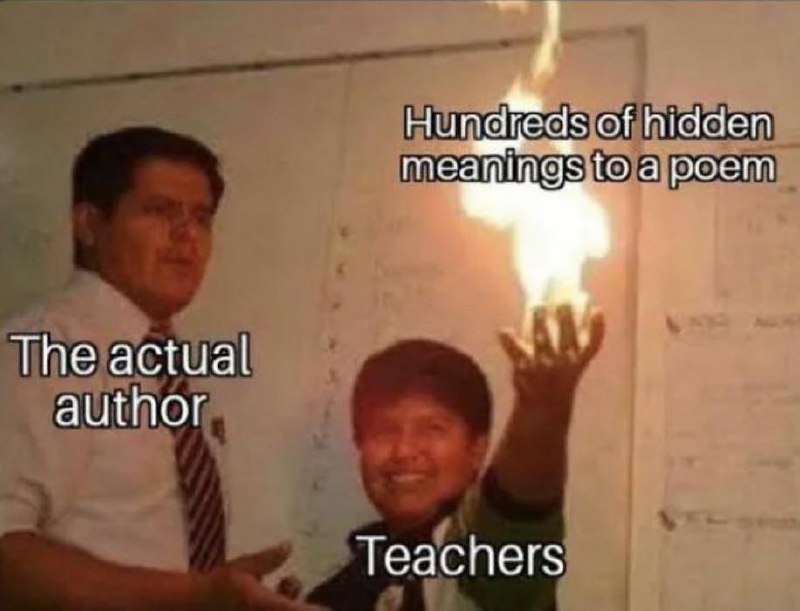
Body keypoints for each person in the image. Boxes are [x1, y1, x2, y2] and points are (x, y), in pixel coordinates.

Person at [0, 126, 317, 611]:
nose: (187, 235)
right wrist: (199, 595)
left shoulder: (177, 364)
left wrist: (229, 600)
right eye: (160, 211)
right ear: (89, 225)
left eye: (201, 218)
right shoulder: (41, 349)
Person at [307, 306, 604, 611]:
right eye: (385, 430)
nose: (404, 450)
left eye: (432, 428)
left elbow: (517, 513)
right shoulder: (339, 593)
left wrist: (543, 408)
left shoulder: (482, 557)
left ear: (477, 450)